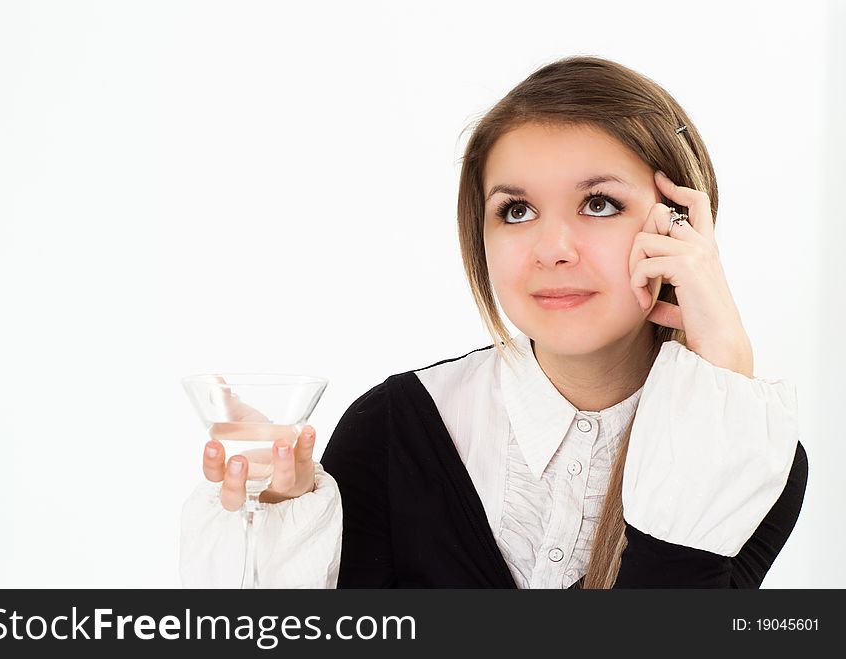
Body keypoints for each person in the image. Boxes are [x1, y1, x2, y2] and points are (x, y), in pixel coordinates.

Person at [180, 55, 808, 589]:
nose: (552, 247)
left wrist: (723, 365)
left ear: (680, 226)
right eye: (516, 211)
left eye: (599, 204)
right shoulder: (392, 432)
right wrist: (280, 527)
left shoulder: (747, 460)